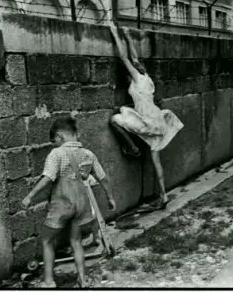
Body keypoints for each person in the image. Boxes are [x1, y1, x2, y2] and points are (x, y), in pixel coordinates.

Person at [21, 117, 116, 288]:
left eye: (54, 141)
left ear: (59, 137)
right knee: (76, 241)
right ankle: (82, 279)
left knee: (47, 241)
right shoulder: (88, 154)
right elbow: (103, 177)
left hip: (62, 204)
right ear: (75, 134)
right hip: (81, 203)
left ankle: (49, 281)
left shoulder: (56, 153)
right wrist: (110, 197)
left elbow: (48, 178)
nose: (54, 145)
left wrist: (30, 196)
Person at [108, 23, 184, 209]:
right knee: (156, 161)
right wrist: (127, 34)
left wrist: (114, 34)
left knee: (115, 119)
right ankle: (163, 195)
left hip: (146, 122)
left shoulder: (136, 78)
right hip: (157, 121)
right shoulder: (147, 78)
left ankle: (132, 148)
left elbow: (124, 57)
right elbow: (134, 57)